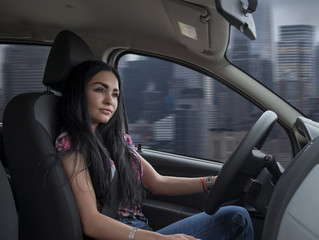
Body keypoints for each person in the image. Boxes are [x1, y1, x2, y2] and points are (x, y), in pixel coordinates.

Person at [55, 60, 254, 240]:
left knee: (236, 215)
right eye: (100, 90)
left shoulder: (118, 140)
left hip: (143, 230)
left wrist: (212, 182)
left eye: (115, 94)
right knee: (236, 219)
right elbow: (91, 222)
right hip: (120, 235)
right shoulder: (72, 143)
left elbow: (158, 182)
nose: (110, 100)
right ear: (80, 92)